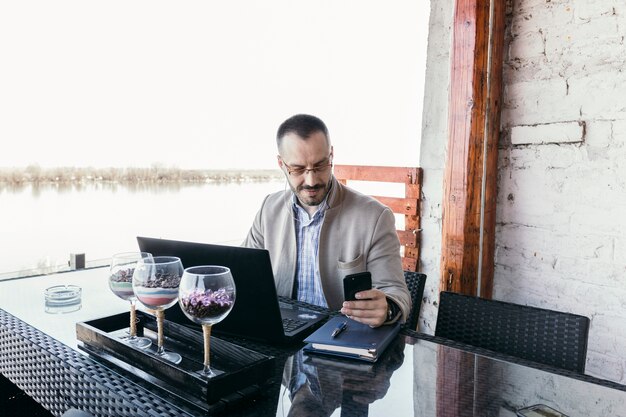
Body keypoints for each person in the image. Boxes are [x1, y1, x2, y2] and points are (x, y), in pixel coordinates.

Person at [243, 114, 410, 327]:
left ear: (331, 155)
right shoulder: (269, 208)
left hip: (342, 336)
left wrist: (387, 308)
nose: (311, 181)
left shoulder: (374, 217)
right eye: (298, 169)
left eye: (320, 166)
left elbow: (397, 293)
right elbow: (244, 274)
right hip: (280, 332)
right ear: (281, 164)